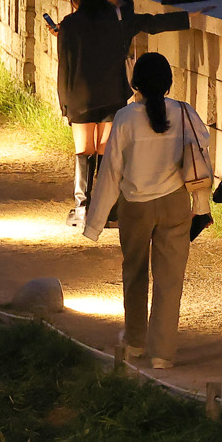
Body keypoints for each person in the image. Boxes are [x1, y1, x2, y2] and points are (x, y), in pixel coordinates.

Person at [82, 53, 206, 368]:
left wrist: (95, 223)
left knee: (134, 272)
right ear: (168, 84)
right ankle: (162, 353)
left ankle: (136, 341)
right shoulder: (185, 113)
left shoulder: (125, 117)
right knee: (170, 279)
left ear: (135, 84)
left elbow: (111, 171)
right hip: (175, 202)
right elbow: (200, 159)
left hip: (135, 205)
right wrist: (201, 206)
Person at [56, 0, 198, 226]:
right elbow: (151, 23)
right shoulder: (118, 20)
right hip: (113, 93)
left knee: (84, 151)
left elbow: (64, 66)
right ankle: (109, 210)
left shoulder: (68, 24)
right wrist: (189, 17)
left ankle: (82, 208)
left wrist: (64, 103)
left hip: (80, 95)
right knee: (106, 150)